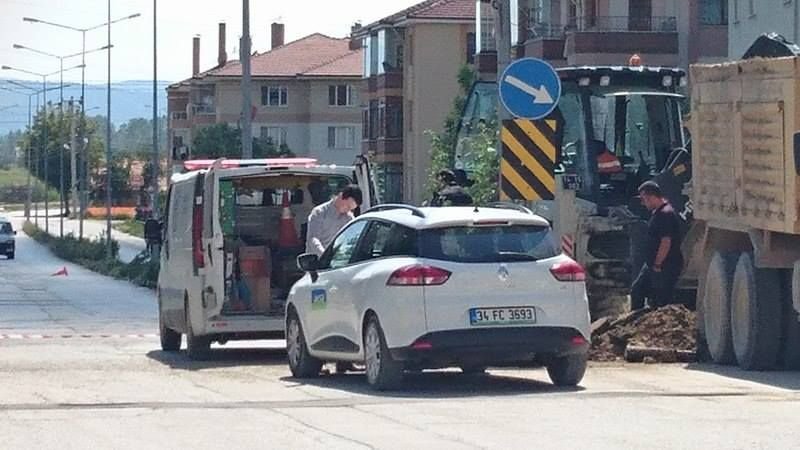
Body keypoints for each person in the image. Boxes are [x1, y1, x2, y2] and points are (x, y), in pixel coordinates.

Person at [630, 181, 684, 310]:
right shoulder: (659, 213)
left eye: (644, 199)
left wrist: (658, 264)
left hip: (665, 266)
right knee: (637, 291)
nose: (643, 203)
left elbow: (666, 242)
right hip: (652, 265)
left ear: (652, 197)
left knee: (661, 299)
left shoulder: (665, 214)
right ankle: (637, 323)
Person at [305, 185, 362, 257]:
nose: (348, 210)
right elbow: (313, 239)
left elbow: (354, 239)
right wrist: (325, 256)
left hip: (338, 260)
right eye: (348, 206)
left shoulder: (349, 217)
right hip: (316, 260)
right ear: (341, 196)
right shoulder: (319, 212)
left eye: (351, 209)